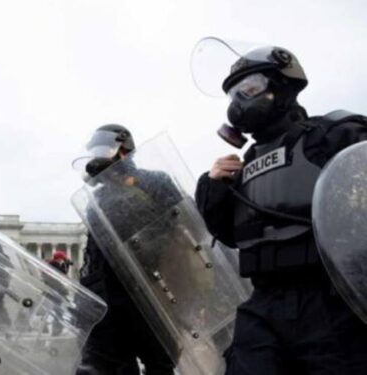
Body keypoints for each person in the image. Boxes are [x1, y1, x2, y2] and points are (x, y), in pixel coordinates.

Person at [195, 44, 367, 374]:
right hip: (263, 304)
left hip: (330, 299)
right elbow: (229, 235)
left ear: (283, 85)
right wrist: (213, 186)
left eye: (250, 87)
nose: (239, 100)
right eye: (234, 94)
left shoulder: (333, 136)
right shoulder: (239, 169)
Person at [76, 124, 174, 375]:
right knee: (106, 367)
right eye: (95, 151)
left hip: (149, 291)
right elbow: (93, 253)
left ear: (123, 150)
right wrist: (86, 292)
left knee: (159, 364)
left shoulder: (154, 181)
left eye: (103, 149)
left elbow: (181, 227)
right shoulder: (96, 199)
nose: (98, 156)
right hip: (110, 297)